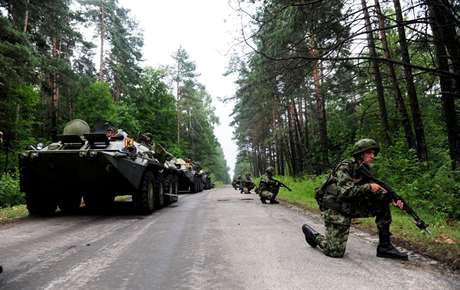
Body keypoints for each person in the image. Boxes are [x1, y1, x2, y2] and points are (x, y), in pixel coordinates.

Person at [301, 139, 408, 260]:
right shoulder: (345, 167)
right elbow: (345, 192)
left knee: (382, 203)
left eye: (374, 153)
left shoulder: (364, 171)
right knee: (335, 252)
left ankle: (385, 246)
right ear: (360, 154)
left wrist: (391, 199)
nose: (373, 156)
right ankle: (314, 236)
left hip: (350, 206)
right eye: (369, 153)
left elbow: (372, 196)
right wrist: (368, 187)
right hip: (336, 209)